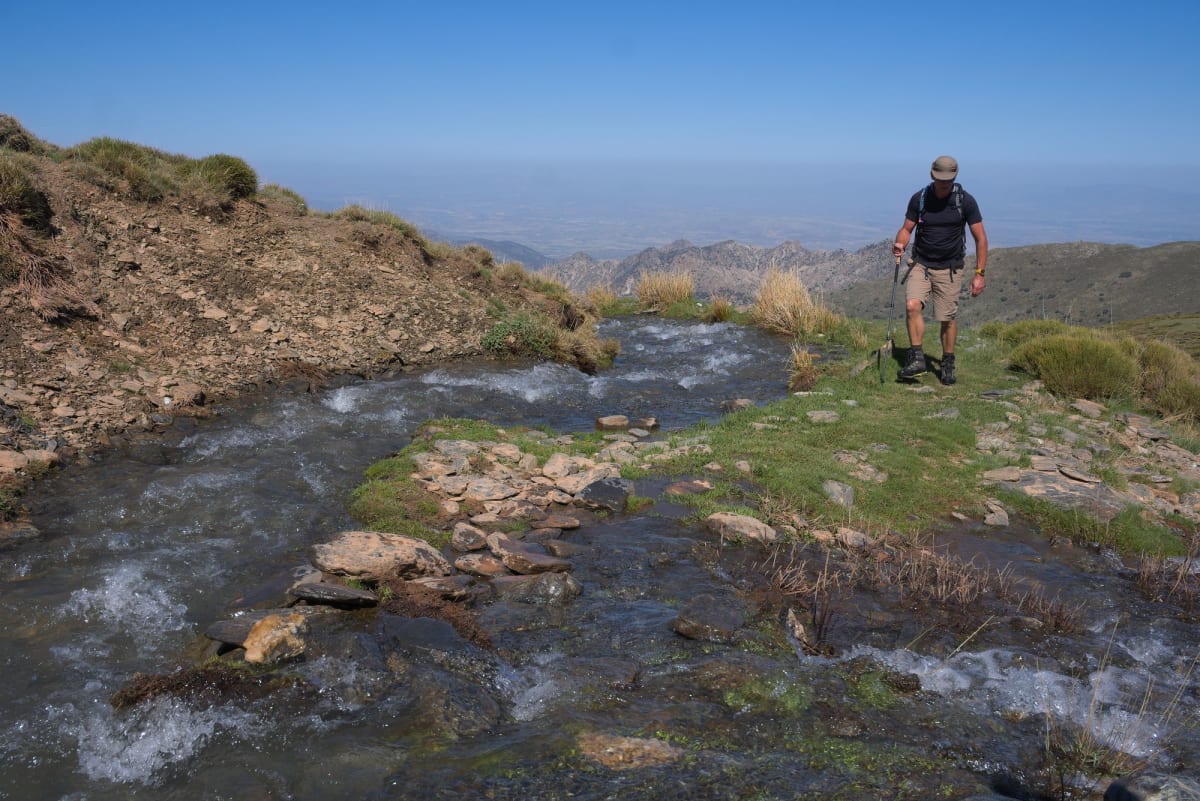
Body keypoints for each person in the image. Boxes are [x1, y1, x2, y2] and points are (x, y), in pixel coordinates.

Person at [891, 155, 988, 385]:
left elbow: (981, 238)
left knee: (947, 318)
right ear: (932, 176)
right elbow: (906, 229)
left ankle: (947, 361)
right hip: (921, 264)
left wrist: (979, 274)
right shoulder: (920, 199)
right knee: (912, 305)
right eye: (940, 179)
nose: (944, 183)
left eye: (948, 180)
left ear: (954, 177)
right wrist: (900, 244)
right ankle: (917, 359)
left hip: (950, 268)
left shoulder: (965, 201)